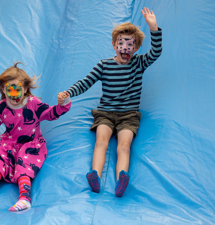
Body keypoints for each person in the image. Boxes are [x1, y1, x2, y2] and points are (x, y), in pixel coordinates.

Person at [59, 7, 162, 197]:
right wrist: (69, 93)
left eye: (130, 45)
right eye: (121, 44)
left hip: (129, 115)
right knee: (101, 141)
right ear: (114, 44)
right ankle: (95, 175)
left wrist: (153, 28)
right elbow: (86, 82)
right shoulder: (104, 65)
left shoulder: (138, 63)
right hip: (105, 112)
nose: (125, 49)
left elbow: (155, 53)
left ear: (137, 48)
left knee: (124, 145)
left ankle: (121, 178)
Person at [0, 62, 71, 212]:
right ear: (3, 90)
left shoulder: (33, 104)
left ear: (24, 89)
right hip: (8, 145)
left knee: (24, 168)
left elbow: (50, 113)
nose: (13, 94)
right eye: (8, 89)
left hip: (31, 145)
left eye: (17, 88)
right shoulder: (2, 108)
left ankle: (24, 200)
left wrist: (64, 103)